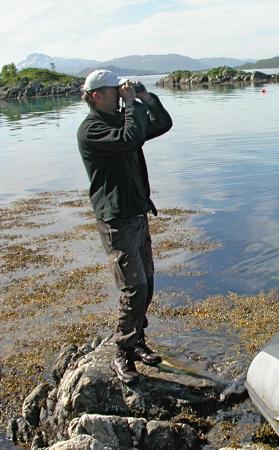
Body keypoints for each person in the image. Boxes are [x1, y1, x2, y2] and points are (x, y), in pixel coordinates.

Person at [77, 69, 173, 384]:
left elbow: (161, 124)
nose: (119, 93)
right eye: (112, 90)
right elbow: (130, 138)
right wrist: (132, 105)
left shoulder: (123, 120)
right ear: (95, 96)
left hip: (136, 212)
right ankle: (122, 354)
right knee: (134, 287)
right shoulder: (91, 130)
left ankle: (139, 341)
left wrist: (146, 98)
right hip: (115, 219)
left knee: (147, 281)